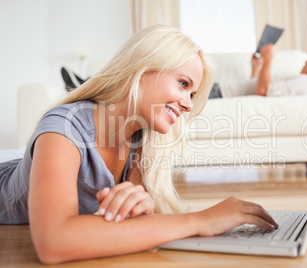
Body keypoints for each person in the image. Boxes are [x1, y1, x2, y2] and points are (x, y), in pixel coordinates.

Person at [0, 25, 278, 264]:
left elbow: (132, 226)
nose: (189, 104)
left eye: (192, 93)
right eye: (183, 83)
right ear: (142, 69)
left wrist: (140, 210)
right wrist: (200, 220)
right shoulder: (63, 129)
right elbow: (53, 242)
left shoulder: (141, 138)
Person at [208, 44, 307, 99]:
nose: (306, 62)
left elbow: (263, 90)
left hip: (220, 92)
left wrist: (269, 58)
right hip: (220, 90)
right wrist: (256, 68)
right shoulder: (303, 81)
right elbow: (258, 87)